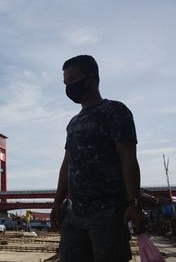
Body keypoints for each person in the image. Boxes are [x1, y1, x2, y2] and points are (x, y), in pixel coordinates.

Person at [50, 55, 145, 262]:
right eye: (66, 83)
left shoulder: (115, 111)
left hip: (108, 212)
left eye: (73, 80)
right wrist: (57, 202)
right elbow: (67, 164)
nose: (69, 87)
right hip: (74, 212)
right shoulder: (73, 123)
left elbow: (128, 158)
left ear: (91, 77)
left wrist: (134, 204)